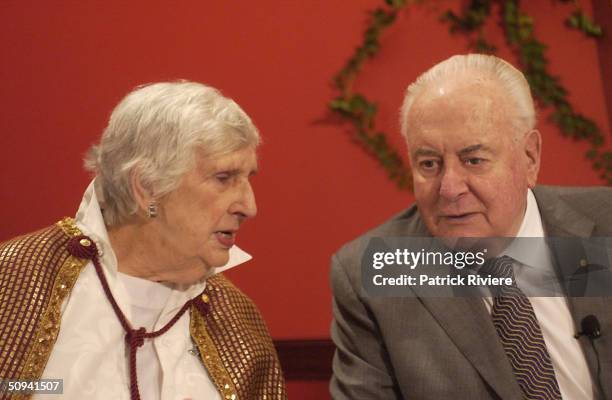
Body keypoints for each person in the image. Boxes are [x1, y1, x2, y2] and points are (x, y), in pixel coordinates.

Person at [330, 54, 612, 399]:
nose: (449, 188)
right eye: (429, 163)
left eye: (473, 160)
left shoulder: (605, 225)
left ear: (530, 157)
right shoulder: (374, 271)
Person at [0, 81, 287, 400]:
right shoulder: (14, 280)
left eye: (248, 179)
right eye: (223, 179)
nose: (249, 206)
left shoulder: (235, 319)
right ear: (147, 188)